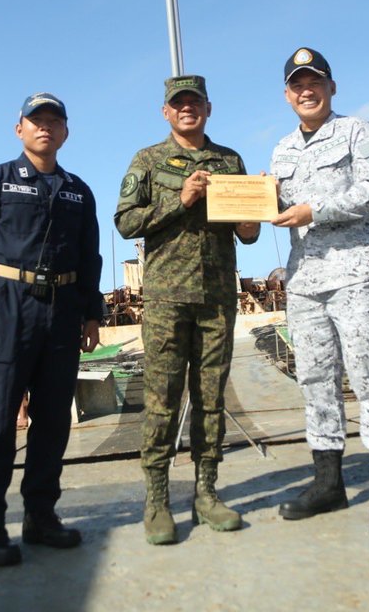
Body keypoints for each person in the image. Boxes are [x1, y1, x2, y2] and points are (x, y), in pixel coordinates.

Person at [0, 92, 105, 567]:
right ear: (18, 128)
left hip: (63, 312)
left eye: (53, 121)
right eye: (35, 120)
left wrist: (91, 312)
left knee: (53, 420)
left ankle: (41, 517)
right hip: (8, 310)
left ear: (65, 132)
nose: (45, 127)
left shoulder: (78, 191)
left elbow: (89, 257)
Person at [115, 75, 260, 545]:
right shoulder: (148, 160)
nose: (186, 110)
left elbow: (251, 234)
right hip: (166, 299)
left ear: (208, 108)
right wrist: (182, 201)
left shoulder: (230, 160)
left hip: (217, 296)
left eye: (194, 102)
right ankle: (157, 499)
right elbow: (124, 221)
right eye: (178, 104)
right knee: (161, 398)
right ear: (165, 112)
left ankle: (206, 493)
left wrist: (246, 212)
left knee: (211, 397)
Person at [269, 47, 369, 531]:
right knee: (314, 380)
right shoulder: (281, 150)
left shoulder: (358, 132)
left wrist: (314, 210)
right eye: (297, 84)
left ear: (331, 87)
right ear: (288, 95)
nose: (307, 90)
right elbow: (272, 202)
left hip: (355, 274)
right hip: (305, 281)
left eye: (315, 81)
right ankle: (328, 484)